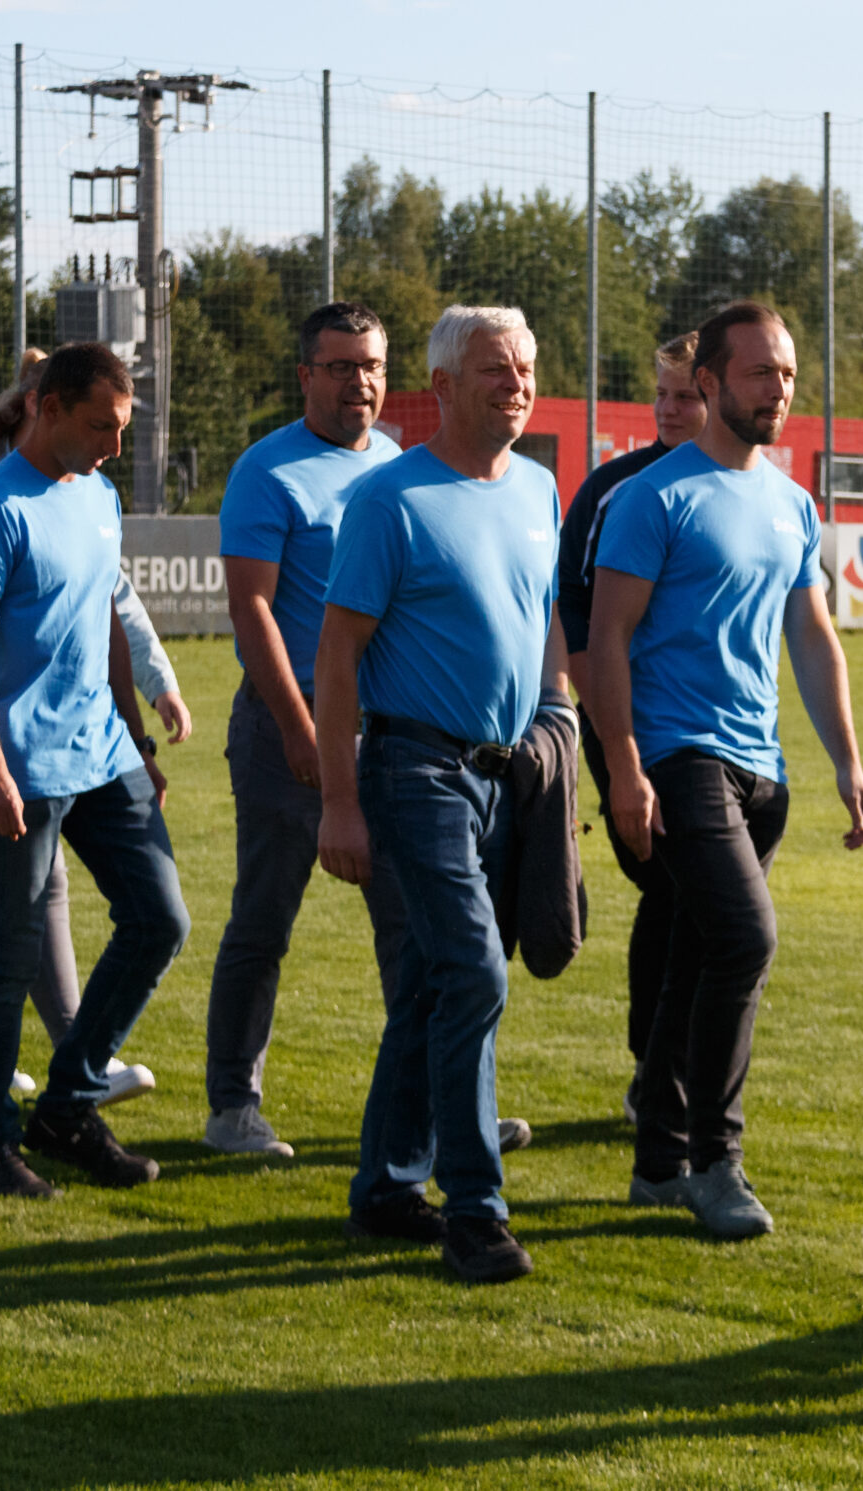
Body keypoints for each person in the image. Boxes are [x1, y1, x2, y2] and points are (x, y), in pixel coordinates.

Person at [591, 301, 863, 1239]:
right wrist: (625, 767)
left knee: (694, 960)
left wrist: (847, 761)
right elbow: (606, 639)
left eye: (787, 373)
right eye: (760, 372)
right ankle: (718, 1161)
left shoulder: (792, 503)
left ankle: (657, 1164)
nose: (779, 389)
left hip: (763, 770)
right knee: (747, 941)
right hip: (681, 758)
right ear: (710, 382)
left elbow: (813, 636)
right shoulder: (652, 498)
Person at [316, 303, 565, 1283]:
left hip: (508, 772)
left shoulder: (540, 488)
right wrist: (339, 802)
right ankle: (475, 1212)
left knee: (431, 983)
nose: (518, 385)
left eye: (526, 368)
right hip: (415, 769)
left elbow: (543, 616)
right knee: (473, 976)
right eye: (497, 369)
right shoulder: (391, 499)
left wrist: (558, 718)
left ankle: (386, 1188)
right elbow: (337, 658)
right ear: (445, 385)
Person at [0, 342, 192, 1198]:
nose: (114, 447)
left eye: (121, 429)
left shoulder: (99, 494)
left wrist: (137, 740)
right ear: (46, 407)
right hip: (22, 769)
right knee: (7, 956)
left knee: (160, 918)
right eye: (99, 426)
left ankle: (67, 1106)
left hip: (105, 755)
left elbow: (105, 620)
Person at [205, 302, 405, 1160]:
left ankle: (433, 1099)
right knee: (265, 919)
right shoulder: (267, 470)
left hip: (388, 734)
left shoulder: (397, 464)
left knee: (413, 921)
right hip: (284, 726)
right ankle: (231, 1107)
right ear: (306, 376)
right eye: (341, 366)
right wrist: (297, 724)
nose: (359, 381)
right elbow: (251, 609)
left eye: (372, 365)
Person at [555, 331, 708, 1123]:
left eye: (687, 396)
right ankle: (656, 1069)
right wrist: (604, 721)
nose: (670, 409)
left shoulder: (746, 485)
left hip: (715, 737)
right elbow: (576, 613)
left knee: (694, 898)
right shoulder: (615, 488)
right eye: (663, 394)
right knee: (672, 887)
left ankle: (670, 1069)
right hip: (631, 728)